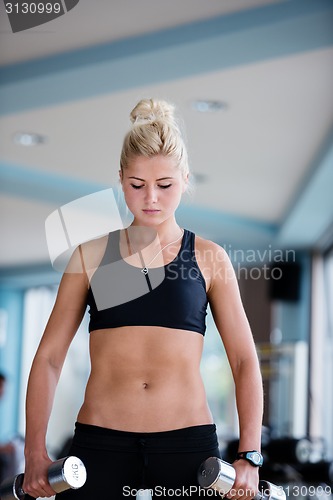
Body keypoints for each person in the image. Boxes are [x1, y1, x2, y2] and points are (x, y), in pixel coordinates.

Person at [22, 98, 264, 499]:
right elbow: (48, 358)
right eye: (137, 185)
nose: (151, 198)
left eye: (165, 185)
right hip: (101, 447)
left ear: (185, 180)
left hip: (187, 451)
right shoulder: (91, 256)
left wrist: (250, 455)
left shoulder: (208, 257)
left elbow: (243, 360)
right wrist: (33, 452)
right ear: (121, 179)